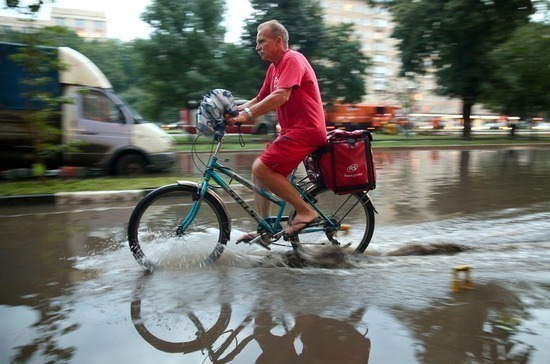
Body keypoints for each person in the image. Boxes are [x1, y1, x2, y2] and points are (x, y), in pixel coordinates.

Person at [227, 20, 327, 242]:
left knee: (261, 167)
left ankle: (305, 211)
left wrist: (248, 116)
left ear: (278, 41)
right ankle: (265, 230)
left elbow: (281, 96)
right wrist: (232, 111)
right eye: (257, 42)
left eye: (261, 41)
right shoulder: (274, 68)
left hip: (307, 130)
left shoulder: (292, 59)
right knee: (258, 174)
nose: (257, 46)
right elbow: (260, 98)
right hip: (292, 131)